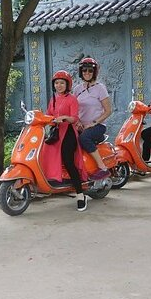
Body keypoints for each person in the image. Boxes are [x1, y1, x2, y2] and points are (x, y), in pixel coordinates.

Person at [41, 70, 89, 211]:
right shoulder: (54, 99)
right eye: (56, 83)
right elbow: (48, 115)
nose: (59, 85)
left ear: (67, 84)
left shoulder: (72, 98)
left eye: (62, 82)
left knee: (68, 162)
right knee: (44, 153)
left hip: (68, 133)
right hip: (56, 133)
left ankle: (80, 195)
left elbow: (74, 117)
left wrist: (65, 118)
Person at [72, 57, 112, 180]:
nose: (87, 73)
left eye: (90, 71)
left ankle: (103, 168)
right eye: (84, 71)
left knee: (84, 137)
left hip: (97, 126)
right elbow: (74, 109)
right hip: (81, 125)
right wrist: (77, 121)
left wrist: (93, 123)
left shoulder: (100, 88)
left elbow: (108, 111)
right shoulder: (77, 89)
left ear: (94, 72)